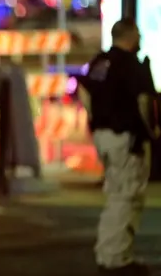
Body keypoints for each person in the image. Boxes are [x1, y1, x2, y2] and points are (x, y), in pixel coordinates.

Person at [78, 18, 159, 276]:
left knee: (117, 194)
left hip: (104, 136)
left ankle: (111, 254)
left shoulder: (100, 61)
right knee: (127, 196)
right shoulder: (131, 65)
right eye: (138, 34)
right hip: (126, 137)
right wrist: (152, 131)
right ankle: (115, 259)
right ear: (131, 36)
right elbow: (144, 101)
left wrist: (95, 120)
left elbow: (85, 91)